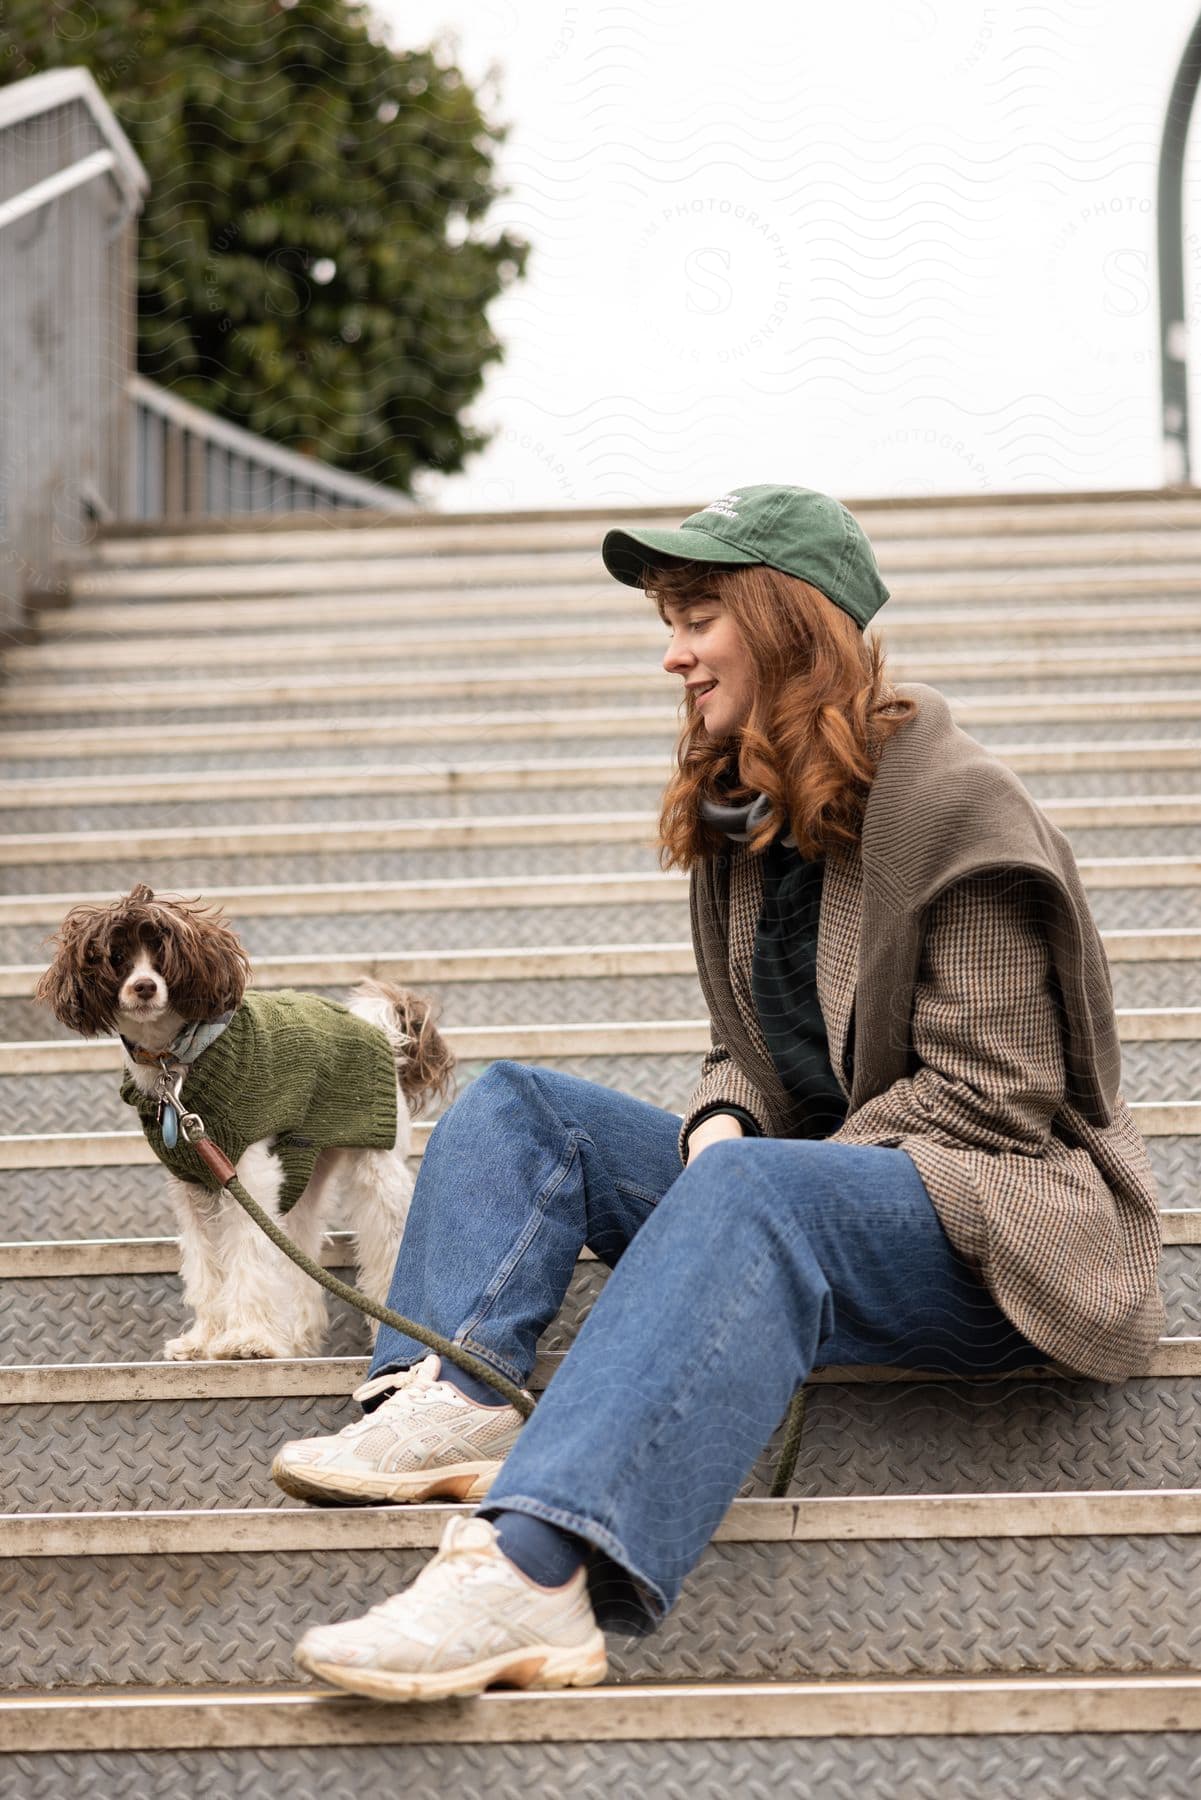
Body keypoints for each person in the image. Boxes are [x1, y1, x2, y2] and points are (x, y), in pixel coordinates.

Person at [274, 483, 1165, 1704]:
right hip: (793, 1196)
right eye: (669, 619)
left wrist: (757, 1175)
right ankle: (450, 1393)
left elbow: (993, 1098)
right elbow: (741, 1048)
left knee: (752, 1192)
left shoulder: (960, 811)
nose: (672, 651)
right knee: (523, 1106)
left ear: (789, 624)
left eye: (698, 615)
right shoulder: (754, 812)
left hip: (995, 1230)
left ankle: (529, 1571)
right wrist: (726, 1123)